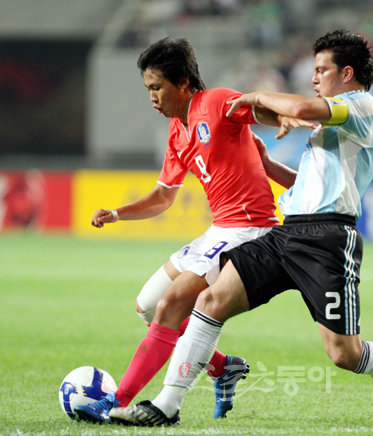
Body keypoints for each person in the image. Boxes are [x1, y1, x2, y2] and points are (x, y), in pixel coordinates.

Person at [108, 30, 373, 428]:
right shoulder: (333, 121)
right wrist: (269, 167)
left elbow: (301, 108)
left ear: (347, 73)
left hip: (328, 239)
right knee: (209, 302)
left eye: (322, 70)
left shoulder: (363, 106)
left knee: (344, 353)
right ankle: (166, 406)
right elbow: (308, 188)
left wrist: (254, 97)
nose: (314, 77)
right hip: (288, 232)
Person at [74, 37, 311, 424]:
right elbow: (163, 197)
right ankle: (221, 366)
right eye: (148, 89)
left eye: (157, 87)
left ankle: (116, 401)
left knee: (170, 305)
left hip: (249, 229)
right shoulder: (176, 130)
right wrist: (118, 213)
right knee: (147, 305)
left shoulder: (214, 102)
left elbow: (256, 109)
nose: (152, 97)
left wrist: (282, 116)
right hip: (220, 229)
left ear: (183, 82)